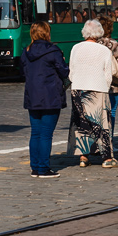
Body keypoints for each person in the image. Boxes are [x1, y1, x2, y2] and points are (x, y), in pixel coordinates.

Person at [68, 19, 118, 168]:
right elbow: (108, 74)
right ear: (99, 33)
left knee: (81, 123)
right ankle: (106, 158)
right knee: (102, 123)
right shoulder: (104, 50)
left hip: (78, 88)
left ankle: (83, 157)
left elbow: (71, 72)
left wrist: (78, 83)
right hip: (98, 88)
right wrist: (105, 87)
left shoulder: (75, 48)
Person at [22, 21, 69, 179]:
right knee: (46, 134)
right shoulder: (52, 50)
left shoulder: (26, 51)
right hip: (50, 95)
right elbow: (63, 71)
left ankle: (35, 167)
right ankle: (43, 168)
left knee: (35, 133)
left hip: (32, 95)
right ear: (46, 33)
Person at [97, 13, 118, 147]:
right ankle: (108, 141)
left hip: (97, 83)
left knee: (98, 115)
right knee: (111, 113)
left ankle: (97, 141)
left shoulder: (93, 44)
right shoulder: (113, 44)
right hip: (113, 85)